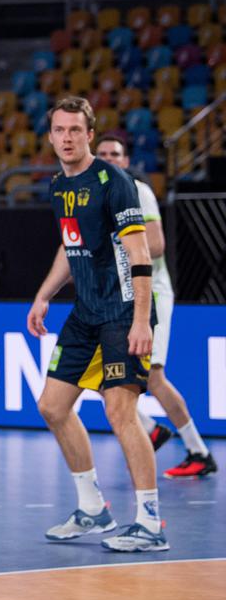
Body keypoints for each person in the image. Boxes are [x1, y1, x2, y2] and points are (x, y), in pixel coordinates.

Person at [27, 95, 167, 552]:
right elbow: (71, 247)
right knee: (52, 406)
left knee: (120, 412)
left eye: (75, 130)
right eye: (59, 131)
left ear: (90, 134)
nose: (67, 138)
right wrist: (44, 295)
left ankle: (150, 524)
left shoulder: (114, 181)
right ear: (51, 137)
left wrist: (142, 321)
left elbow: (140, 254)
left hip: (125, 312)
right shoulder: (58, 186)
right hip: (86, 312)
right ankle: (93, 509)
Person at [94, 135, 217, 478]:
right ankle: (151, 429)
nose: (108, 159)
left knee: (155, 377)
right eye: (102, 154)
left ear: (125, 159)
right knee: (102, 374)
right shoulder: (99, 198)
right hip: (121, 297)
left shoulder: (137, 191)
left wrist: (117, 245)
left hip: (154, 294)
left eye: (114, 154)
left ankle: (198, 451)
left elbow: (158, 245)